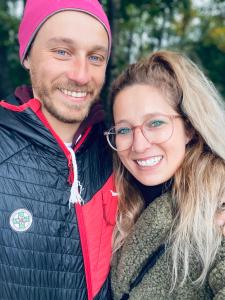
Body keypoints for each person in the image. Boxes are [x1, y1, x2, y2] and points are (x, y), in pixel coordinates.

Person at [0, 0, 118, 299]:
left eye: (95, 57)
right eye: (62, 52)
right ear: (26, 56)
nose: (81, 75)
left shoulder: (123, 151)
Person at [104, 50, 225, 299]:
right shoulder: (123, 202)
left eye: (155, 123)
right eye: (124, 129)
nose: (138, 144)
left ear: (189, 127)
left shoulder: (217, 204)